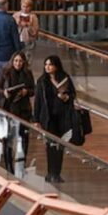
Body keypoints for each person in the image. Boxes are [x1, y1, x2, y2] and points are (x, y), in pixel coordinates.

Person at [34, 55, 77, 184]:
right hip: (48, 118)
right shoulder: (42, 81)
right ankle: (50, 173)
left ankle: (57, 173)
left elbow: (72, 94)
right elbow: (38, 101)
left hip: (62, 117)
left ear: (56, 66)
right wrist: (36, 119)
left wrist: (66, 97)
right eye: (46, 64)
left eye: (50, 64)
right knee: (50, 146)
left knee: (60, 146)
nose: (47, 67)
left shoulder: (65, 78)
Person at [0, 51, 35, 174]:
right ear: (12, 61)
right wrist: (4, 92)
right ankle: (9, 167)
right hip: (8, 109)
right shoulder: (4, 72)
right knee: (8, 139)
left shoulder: (27, 74)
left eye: (20, 61)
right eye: (16, 61)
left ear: (24, 62)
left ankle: (22, 165)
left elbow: (33, 90)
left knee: (24, 138)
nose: (18, 63)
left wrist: (26, 92)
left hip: (23, 110)